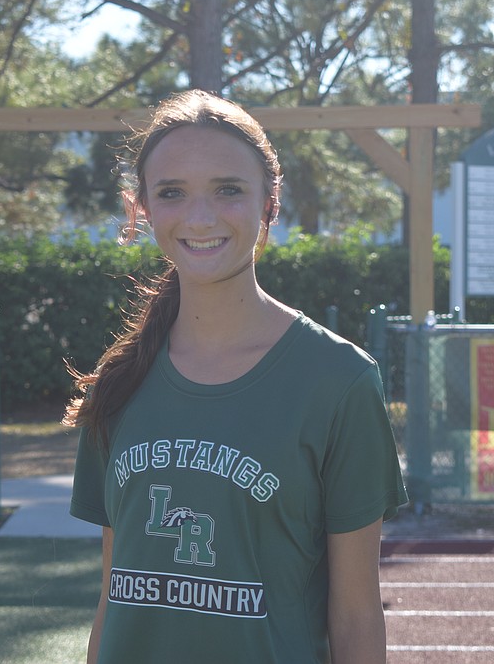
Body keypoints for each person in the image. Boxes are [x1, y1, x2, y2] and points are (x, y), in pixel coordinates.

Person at [64, 89, 408, 663]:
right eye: (172, 192)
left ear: (270, 202)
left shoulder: (339, 381)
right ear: (140, 207)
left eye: (228, 189)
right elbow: (113, 598)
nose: (200, 217)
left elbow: (355, 616)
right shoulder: (119, 381)